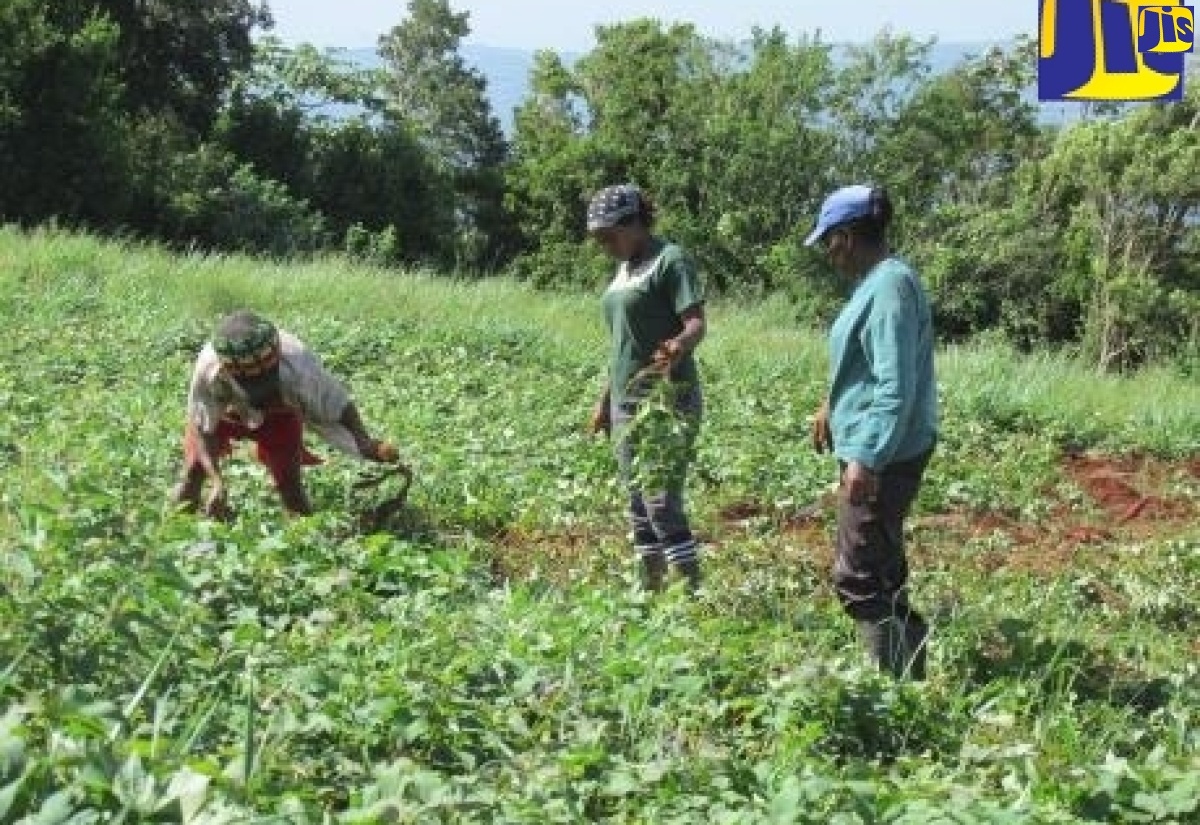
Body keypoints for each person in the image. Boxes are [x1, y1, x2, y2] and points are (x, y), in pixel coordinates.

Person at [804, 184, 939, 680]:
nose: (827, 253)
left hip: (887, 452)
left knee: (857, 575)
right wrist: (832, 405)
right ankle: (911, 670)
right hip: (880, 443)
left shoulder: (888, 288)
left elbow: (895, 384)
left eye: (828, 241)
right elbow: (866, 363)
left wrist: (866, 457)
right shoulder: (880, 283)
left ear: (845, 236)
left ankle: (888, 687)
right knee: (881, 566)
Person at [586, 183, 708, 593]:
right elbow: (622, 346)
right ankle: (650, 593)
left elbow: (695, 322)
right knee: (638, 501)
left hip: (668, 400)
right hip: (626, 402)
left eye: (610, 235)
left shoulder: (669, 261)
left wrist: (678, 346)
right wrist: (606, 401)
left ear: (635, 223)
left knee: (660, 500)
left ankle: (690, 595)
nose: (605, 245)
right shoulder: (623, 270)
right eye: (598, 239)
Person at [172, 310, 403, 519]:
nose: (260, 395)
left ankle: (304, 543)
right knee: (193, 473)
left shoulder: (300, 367)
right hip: (227, 413)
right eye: (251, 385)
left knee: (291, 489)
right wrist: (217, 483)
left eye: (265, 385)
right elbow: (203, 430)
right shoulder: (209, 368)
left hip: (280, 416)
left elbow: (340, 405)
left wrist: (363, 440)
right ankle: (176, 530)